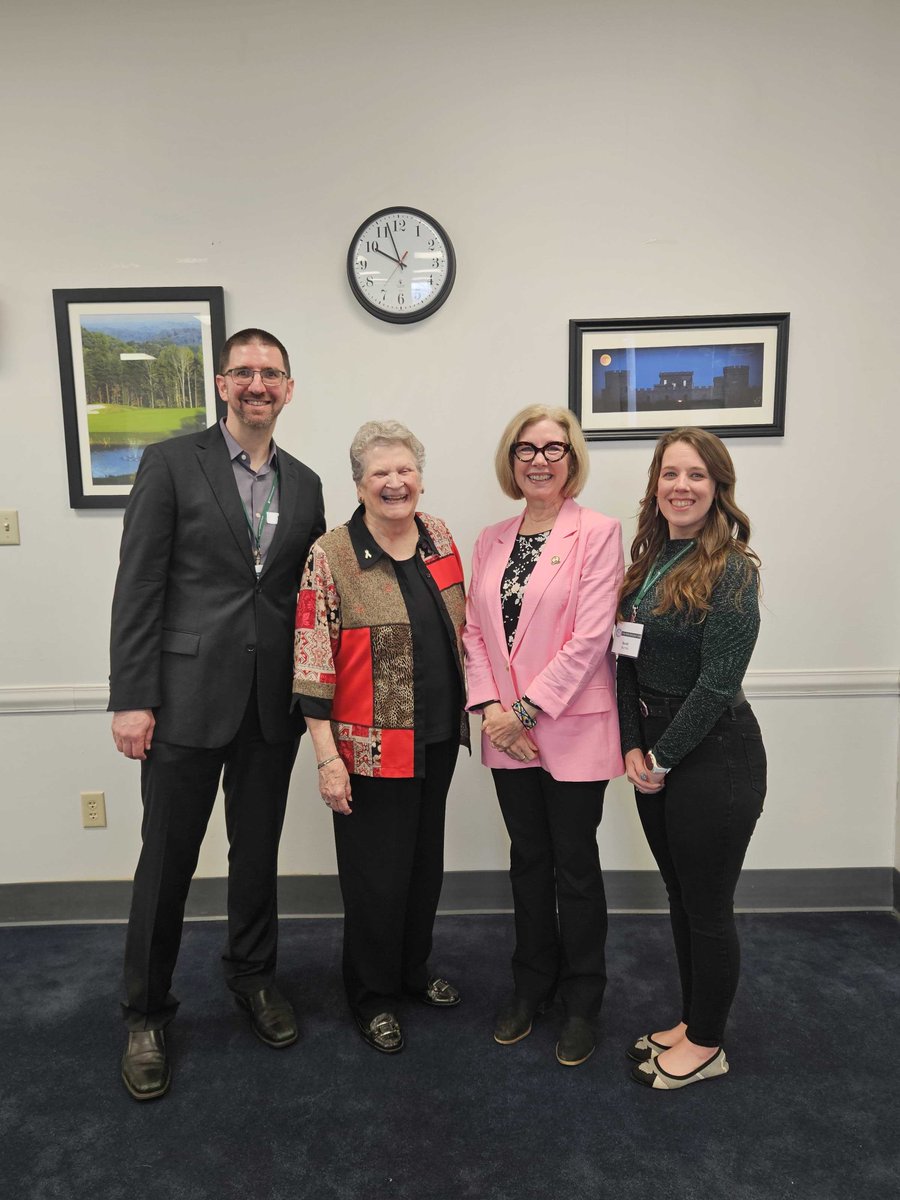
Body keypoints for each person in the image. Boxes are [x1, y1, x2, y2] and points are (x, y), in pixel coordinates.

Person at [110, 328, 325, 1101]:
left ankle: (253, 976)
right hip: (183, 702)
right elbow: (138, 584)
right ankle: (144, 1011)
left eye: (272, 372)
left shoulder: (305, 483)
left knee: (256, 853)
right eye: (244, 372)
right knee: (165, 862)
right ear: (222, 383)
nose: (257, 384)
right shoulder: (171, 464)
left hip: (271, 706)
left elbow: (305, 599)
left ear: (289, 389)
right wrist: (133, 696)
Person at [292, 420, 468, 1054]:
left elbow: (461, 629)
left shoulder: (439, 536)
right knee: (376, 878)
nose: (395, 483)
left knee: (423, 869)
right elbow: (312, 657)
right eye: (380, 473)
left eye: (405, 470)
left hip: (438, 737)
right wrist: (327, 760)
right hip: (368, 746)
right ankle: (371, 996)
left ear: (419, 476)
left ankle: (410, 972)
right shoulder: (333, 553)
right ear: (360, 484)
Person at [463, 404, 624, 1067]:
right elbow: (474, 632)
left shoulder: (599, 532)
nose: (539, 459)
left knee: (575, 866)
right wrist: (491, 709)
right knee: (528, 861)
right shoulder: (490, 538)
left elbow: (590, 638)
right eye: (525, 449)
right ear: (510, 460)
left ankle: (583, 999)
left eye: (553, 449)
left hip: (570, 724)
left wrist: (524, 711)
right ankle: (532, 984)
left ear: (572, 458)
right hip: (504, 727)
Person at [617, 427, 767, 1091]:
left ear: (718, 488)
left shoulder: (733, 568)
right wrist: (631, 745)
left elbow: (715, 681)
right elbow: (622, 662)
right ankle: (691, 1018)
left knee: (707, 906)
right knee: (680, 897)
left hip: (714, 755)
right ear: (656, 485)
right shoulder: (649, 559)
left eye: (697, 476)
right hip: (655, 755)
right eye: (671, 473)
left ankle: (708, 1042)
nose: (682, 486)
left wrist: (663, 756)